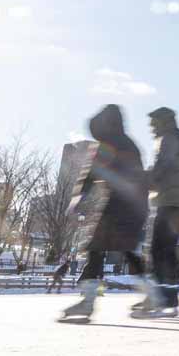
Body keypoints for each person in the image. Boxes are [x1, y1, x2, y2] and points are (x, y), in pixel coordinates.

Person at [60, 105, 148, 321]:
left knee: (97, 249)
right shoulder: (128, 144)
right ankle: (152, 294)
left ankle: (88, 303)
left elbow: (91, 173)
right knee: (125, 250)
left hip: (121, 204)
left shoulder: (111, 143)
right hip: (134, 204)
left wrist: (77, 198)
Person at [133, 107, 179, 318]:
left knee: (159, 249)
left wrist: (143, 182)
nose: (152, 128)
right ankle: (168, 299)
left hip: (173, 200)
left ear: (163, 122)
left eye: (154, 124)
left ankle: (160, 298)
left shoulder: (169, 138)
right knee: (167, 249)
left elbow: (163, 166)